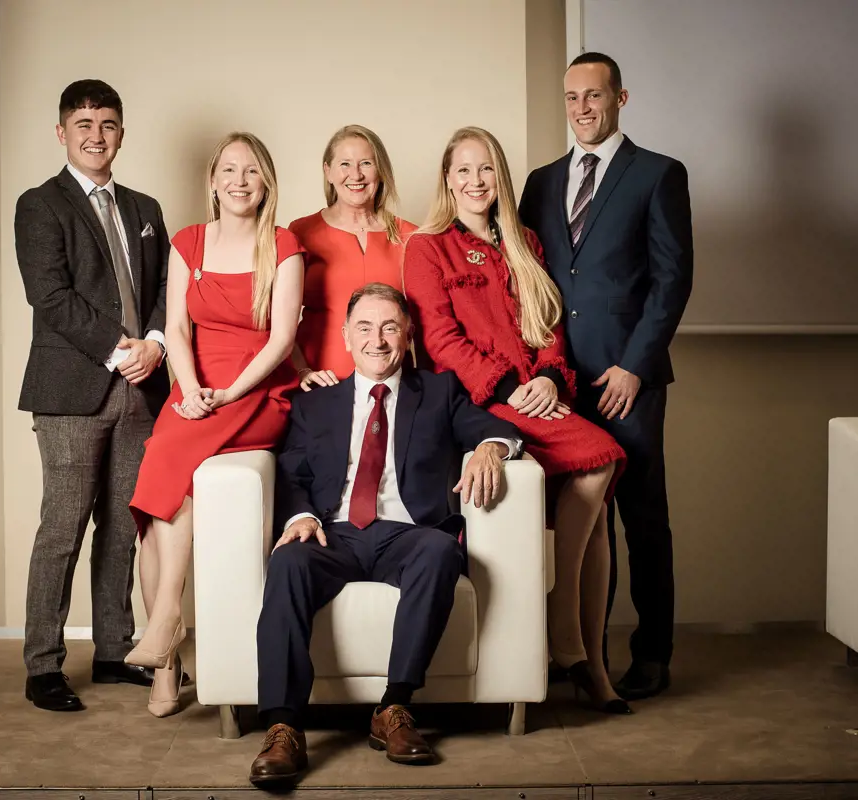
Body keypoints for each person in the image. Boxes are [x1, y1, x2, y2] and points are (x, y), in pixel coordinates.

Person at [249, 283, 522, 787]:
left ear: (408, 335)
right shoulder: (316, 404)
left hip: (408, 535)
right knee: (288, 561)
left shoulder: (438, 391)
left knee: (442, 551)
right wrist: (300, 517)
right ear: (347, 338)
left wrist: (490, 448)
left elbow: (494, 428)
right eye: (366, 328)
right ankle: (283, 725)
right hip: (334, 535)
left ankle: (394, 707)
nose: (378, 340)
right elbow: (291, 474)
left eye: (390, 327)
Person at [403, 127, 630, 716]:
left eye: (485, 170)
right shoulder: (429, 247)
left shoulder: (525, 240)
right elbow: (440, 341)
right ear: (447, 181)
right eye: (462, 171)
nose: (475, 182)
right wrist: (512, 388)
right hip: (482, 401)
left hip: (536, 393)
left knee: (598, 512)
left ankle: (589, 662)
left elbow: (549, 325)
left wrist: (551, 378)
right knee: (601, 457)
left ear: (498, 178)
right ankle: (567, 639)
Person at [518, 52, 693, 700]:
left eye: (593, 96)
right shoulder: (540, 182)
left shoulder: (657, 175)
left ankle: (650, 654)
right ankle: (581, 653)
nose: (581, 108)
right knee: (572, 522)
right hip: (557, 383)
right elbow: (529, 278)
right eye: (571, 97)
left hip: (628, 380)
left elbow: (673, 279)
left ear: (621, 98)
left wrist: (634, 367)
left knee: (641, 517)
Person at [125, 132, 305, 718]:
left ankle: (166, 622)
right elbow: (176, 330)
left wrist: (228, 391)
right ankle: (166, 659)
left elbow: (282, 340)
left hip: (255, 387)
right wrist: (190, 389)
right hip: (195, 387)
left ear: (266, 181)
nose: (239, 179)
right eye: (228, 169)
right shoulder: (188, 241)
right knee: (155, 497)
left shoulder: (284, 244)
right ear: (212, 180)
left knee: (170, 471)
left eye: (251, 170)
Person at [14, 79, 170, 712]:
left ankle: (113, 651)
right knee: (63, 528)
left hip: (142, 389)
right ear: (62, 133)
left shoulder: (146, 208)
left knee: (122, 530)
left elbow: (164, 289)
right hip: (74, 389)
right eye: (84, 124)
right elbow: (49, 298)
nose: (96, 135)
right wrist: (120, 348)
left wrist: (155, 343)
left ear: (122, 132)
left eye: (107, 124)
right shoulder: (39, 204)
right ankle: (43, 665)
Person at [288, 125, 416, 389]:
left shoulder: (411, 236)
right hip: (319, 384)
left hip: (392, 387)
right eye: (345, 164)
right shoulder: (300, 232)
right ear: (328, 172)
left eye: (366, 163)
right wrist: (302, 371)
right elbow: (278, 321)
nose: (355, 175)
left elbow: (427, 324)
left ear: (380, 171)